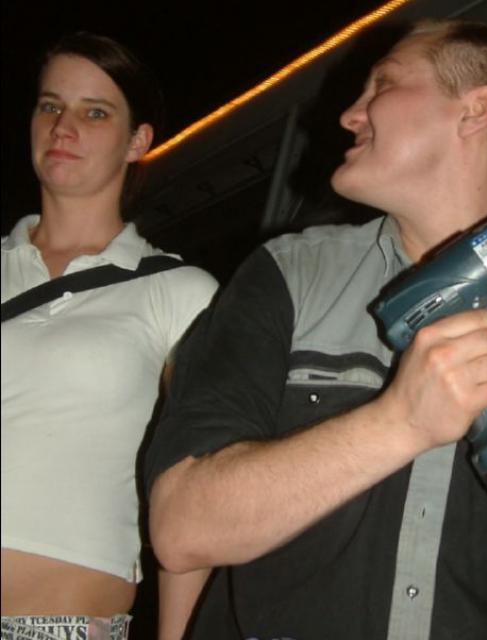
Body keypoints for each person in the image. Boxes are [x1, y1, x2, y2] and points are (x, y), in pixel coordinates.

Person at [145, 18, 487, 640]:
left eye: (382, 84)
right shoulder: (290, 275)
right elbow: (183, 527)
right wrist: (400, 421)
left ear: (475, 111)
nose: (349, 115)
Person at [0, 32, 218, 639]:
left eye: (94, 113)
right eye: (50, 106)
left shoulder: (181, 292)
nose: (62, 127)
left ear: (138, 141)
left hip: (57, 625)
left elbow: (198, 483)